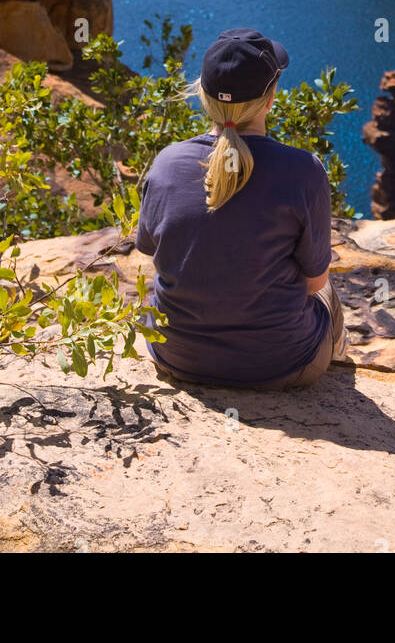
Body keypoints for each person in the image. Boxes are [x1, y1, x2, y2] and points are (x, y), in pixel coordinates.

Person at [135, 27, 348, 391]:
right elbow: (314, 283)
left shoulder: (167, 163)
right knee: (330, 291)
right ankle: (340, 368)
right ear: (270, 99)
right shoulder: (303, 171)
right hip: (280, 365)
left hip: (177, 357)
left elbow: (150, 252)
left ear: (202, 94)